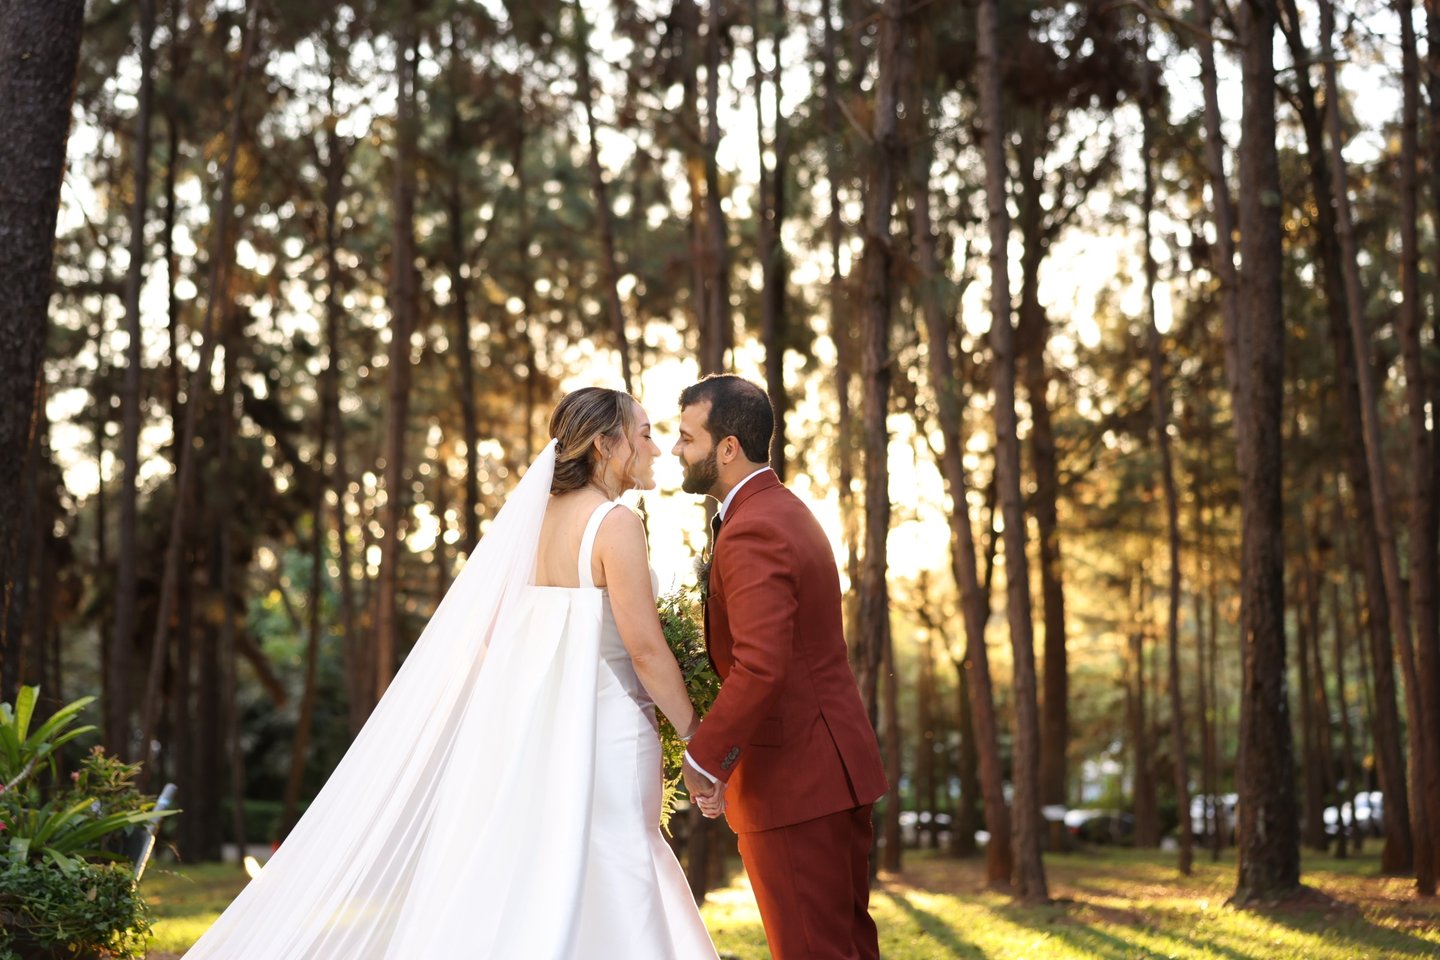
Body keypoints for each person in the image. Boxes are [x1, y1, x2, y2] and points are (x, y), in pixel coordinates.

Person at [184, 387, 719, 960]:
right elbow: (646, 652)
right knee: (616, 861)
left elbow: (498, 636)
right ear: (603, 445)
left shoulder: (531, 523)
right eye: (643, 433)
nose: (657, 447)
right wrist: (698, 740)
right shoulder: (615, 524)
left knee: (543, 872)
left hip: (533, 734)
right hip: (606, 730)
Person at [673, 374, 888, 960]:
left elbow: (760, 666)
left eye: (687, 438)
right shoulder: (785, 510)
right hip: (831, 770)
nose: (675, 450)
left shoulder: (753, 529)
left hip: (795, 783)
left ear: (727, 448)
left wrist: (704, 757)